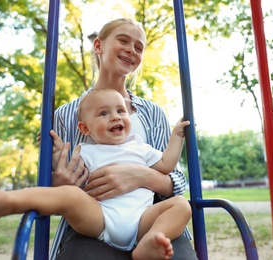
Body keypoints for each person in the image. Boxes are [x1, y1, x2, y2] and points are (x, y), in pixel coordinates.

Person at [0, 88, 192, 260]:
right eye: (104, 113)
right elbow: (72, 177)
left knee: (181, 205)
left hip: (143, 221)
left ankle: (150, 242)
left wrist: (177, 137)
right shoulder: (86, 151)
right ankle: (5, 203)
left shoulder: (140, 147)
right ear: (85, 128)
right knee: (70, 195)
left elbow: (165, 164)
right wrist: (56, 155)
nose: (115, 116)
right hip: (101, 218)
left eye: (120, 111)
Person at [48, 18, 198, 259]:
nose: (132, 50)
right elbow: (56, 186)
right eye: (123, 41)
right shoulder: (67, 114)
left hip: (148, 218)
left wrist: (141, 175)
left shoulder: (152, 113)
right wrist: (60, 182)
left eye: (139, 47)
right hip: (95, 222)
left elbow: (177, 183)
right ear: (98, 46)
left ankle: (148, 245)